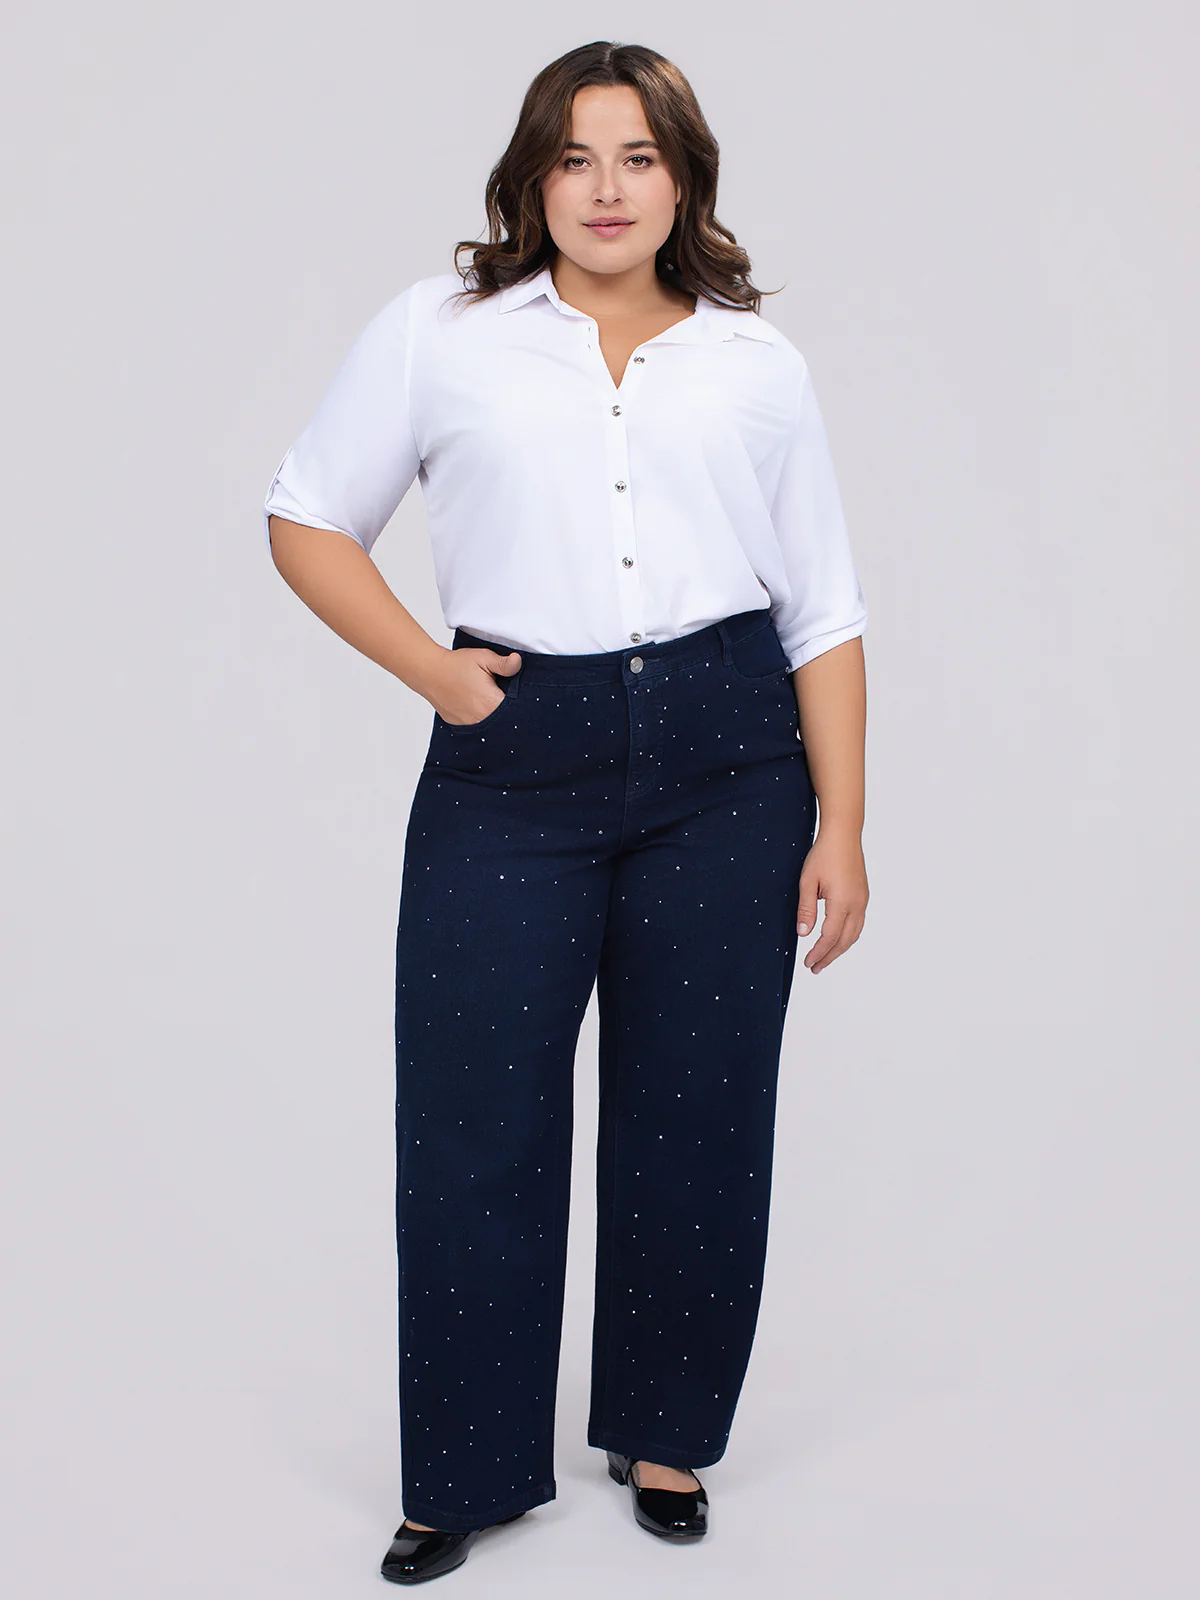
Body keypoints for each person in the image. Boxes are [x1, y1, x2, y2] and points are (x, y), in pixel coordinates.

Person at [263, 38, 869, 1586]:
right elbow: (308, 515)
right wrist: (438, 675)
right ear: (533, 178)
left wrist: (844, 823)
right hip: (515, 759)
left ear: (684, 179)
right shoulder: (441, 332)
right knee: (472, 1121)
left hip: (732, 761)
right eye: (577, 158)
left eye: (640, 158)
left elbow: (823, 608)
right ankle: (463, 1472)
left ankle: (665, 1436)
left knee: (700, 1112)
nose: (608, 190)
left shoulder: (755, 365)